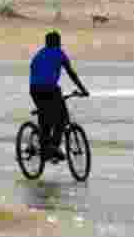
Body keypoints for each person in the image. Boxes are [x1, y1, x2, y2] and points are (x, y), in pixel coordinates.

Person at [29, 31, 89, 163]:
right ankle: (54, 148)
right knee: (61, 118)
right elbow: (71, 73)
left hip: (34, 90)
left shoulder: (39, 54)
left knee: (45, 117)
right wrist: (83, 90)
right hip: (50, 89)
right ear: (57, 43)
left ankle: (45, 149)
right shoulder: (59, 53)